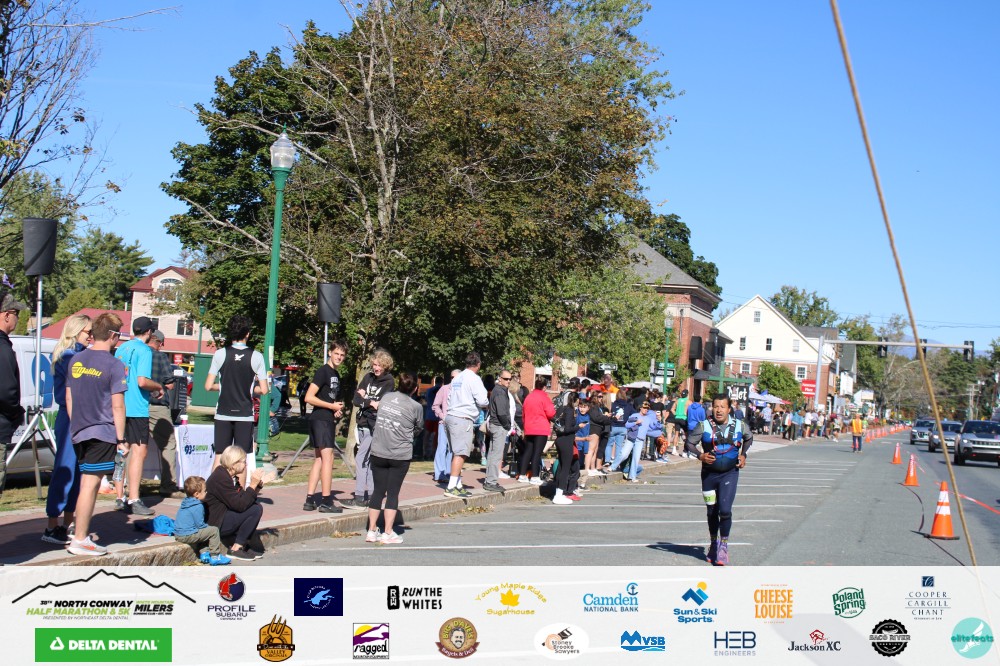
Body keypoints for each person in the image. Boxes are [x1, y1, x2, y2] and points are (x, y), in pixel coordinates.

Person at [64, 312, 127, 556]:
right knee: (90, 485)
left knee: (86, 483)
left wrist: (76, 424)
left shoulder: (76, 359)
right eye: (118, 335)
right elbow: (118, 406)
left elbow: (69, 397)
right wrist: (121, 439)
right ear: (112, 335)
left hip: (79, 430)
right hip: (102, 431)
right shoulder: (114, 364)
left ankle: (79, 533)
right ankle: (80, 538)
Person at [41, 314, 92, 545]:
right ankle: (52, 525)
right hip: (70, 417)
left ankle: (67, 524)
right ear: (76, 331)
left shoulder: (80, 355)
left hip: (82, 417)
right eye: (88, 332)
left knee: (78, 472)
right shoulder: (68, 356)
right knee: (65, 470)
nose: (91, 337)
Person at [686, 394, 752, 566]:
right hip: (708, 475)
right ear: (712, 408)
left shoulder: (740, 425)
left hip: (730, 473)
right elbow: (689, 443)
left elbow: (749, 437)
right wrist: (700, 455)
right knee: (711, 511)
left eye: (722, 407)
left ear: (729, 409)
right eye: (716, 406)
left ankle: (724, 545)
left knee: (725, 510)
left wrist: (743, 454)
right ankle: (714, 543)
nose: (719, 410)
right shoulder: (704, 425)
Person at [205, 316, 269, 477]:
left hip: (223, 412)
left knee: (220, 456)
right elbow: (264, 389)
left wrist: (224, 386)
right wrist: (249, 388)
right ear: (247, 334)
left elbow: (208, 386)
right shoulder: (257, 356)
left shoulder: (220, 354)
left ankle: (213, 490)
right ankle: (240, 491)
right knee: (242, 459)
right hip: (244, 413)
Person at [365, 372, 423, 544]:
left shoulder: (386, 397)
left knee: (378, 490)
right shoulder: (416, 407)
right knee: (393, 492)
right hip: (399, 454)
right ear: (415, 389)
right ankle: (388, 531)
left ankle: (371, 530)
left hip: (378, 450)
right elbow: (419, 428)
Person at [113, 315, 163, 516]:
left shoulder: (121, 348)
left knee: (121, 450)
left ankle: (119, 497)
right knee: (139, 452)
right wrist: (158, 386)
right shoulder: (145, 350)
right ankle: (134, 498)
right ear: (149, 332)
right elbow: (142, 381)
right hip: (136, 407)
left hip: (119, 404)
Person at [302, 339, 348, 513]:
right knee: (329, 458)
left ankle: (309, 499)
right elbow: (309, 397)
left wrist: (335, 410)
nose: (339, 357)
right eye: (336, 353)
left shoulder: (336, 374)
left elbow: (328, 399)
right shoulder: (323, 371)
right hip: (320, 419)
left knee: (320, 459)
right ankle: (327, 501)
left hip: (325, 418)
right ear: (330, 352)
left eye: (342, 355)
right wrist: (331, 406)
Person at [204, 444, 266, 560]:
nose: (246, 465)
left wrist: (257, 486)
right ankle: (236, 548)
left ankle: (241, 544)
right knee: (255, 509)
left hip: (223, 518)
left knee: (254, 506)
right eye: (243, 462)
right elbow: (240, 505)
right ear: (234, 463)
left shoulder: (229, 476)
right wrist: (252, 485)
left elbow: (243, 499)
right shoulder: (220, 477)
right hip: (215, 524)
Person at [351, 348, 395, 506]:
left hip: (374, 425)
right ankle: (371, 494)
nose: (376, 368)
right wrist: (370, 402)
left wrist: (366, 398)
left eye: (379, 365)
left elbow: (382, 404)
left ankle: (359, 495)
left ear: (385, 366)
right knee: (368, 460)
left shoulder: (389, 381)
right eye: (374, 365)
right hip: (362, 422)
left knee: (361, 457)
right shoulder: (367, 377)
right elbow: (356, 400)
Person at [443, 352, 488, 498]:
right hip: (463, 417)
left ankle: (457, 484)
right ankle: (451, 487)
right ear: (478, 364)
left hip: (451, 415)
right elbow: (482, 400)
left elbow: (449, 397)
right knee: (461, 453)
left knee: (456, 452)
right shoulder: (474, 378)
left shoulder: (458, 377)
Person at [0, 292, 29, 500]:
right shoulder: (2, 347)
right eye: (16, 314)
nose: (18, 318)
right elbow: (6, 390)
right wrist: (16, 413)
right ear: (7, 315)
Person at [148, 330, 179, 496]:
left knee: (134, 446)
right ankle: (168, 485)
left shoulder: (134, 353)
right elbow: (170, 384)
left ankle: (127, 486)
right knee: (168, 444)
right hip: (157, 405)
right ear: (159, 342)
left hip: (135, 405)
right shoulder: (160, 357)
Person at [174, 475, 231, 565]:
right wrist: (208, 527)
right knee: (213, 531)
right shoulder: (198, 506)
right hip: (187, 535)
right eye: (204, 491)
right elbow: (200, 525)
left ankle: (204, 554)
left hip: (178, 534)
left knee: (204, 533)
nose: (206, 492)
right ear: (197, 494)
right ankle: (215, 556)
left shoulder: (186, 502)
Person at [519, 376, 555, 484]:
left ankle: (522, 475)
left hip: (529, 427)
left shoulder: (529, 397)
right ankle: (534, 476)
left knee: (528, 451)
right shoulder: (544, 397)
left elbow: (523, 413)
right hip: (541, 428)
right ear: (544, 387)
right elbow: (551, 413)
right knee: (537, 452)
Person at [484, 370, 514, 493]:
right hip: (499, 426)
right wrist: (507, 425)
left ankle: (489, 480)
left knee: (492, 454)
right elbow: (501, 413)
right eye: (506, 379)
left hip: (495, 425)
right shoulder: (500, 392)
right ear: (500, 378)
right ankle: (491, 481)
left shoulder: (498, 390)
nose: (508, 381)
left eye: (510, 379)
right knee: (496, 455)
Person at [552, 393, 582, 504]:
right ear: (576, 400)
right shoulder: (569, 410)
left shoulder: (561, 409)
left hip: (560, 440)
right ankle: (559, 494)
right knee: (565, 468)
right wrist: (578, 427)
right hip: (566, 441)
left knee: (561, 467)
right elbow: (568, 429)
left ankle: (558, 492)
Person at [432, 370, 460, 483]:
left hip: (457, 423)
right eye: (452, 377)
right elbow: (435, 405)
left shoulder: (462, 390)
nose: (454, 379)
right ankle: (439, 473)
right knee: (442, 447)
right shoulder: (444, 389)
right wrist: (442, 416)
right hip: (444, 423)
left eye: (456, 377)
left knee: (452, 449)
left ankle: (448, 472)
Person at [421, 376, 443, 460]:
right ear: (442, 382)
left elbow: (426, 399)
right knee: (435, 436)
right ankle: (434, 453)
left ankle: (424, 452)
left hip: (429, 415)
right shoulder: (441, 390)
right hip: (437, 416)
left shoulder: (429, 390)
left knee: (427, 435)